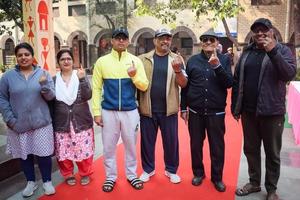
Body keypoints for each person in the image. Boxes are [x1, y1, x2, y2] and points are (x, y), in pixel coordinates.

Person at [231, 18, 296, 200]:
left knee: (272, 153)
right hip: (248, 112)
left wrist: (272, 51)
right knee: (251, 149)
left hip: (272, 112)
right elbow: (238, 80)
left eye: (264, 29)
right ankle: (254, 182)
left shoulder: (283, 50)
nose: (260, 33)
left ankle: (272, 189)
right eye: (256, 30)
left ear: (272, 31)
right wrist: (235, 107)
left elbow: (289, 74)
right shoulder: (247, 51)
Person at [92, 27, 149, 192]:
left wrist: (134, 76)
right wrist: (96, 112)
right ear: (112, 41)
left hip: (130, 111)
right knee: (108, 146)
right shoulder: (102, 62)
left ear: (128, 41)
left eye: (124, 38)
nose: (121, 41)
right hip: (108, 111)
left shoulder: (135, 61)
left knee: (131, 145)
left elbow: (144, 86)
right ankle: (110, 177)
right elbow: (96, 88)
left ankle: (131, 175)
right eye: (118, 38)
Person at [0, 42, 56, 197]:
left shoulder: (43, 73)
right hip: (18, 124)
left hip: (41, 123)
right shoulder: (8, 77)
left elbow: (52, 97)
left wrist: (44, 84)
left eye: (27, 54)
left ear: (32, 56)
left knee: (44, 154)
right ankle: (30, 182)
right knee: (25, 155)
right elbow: (2, 98)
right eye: (20, 55)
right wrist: (10, 120)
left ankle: (47, 181)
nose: (23, 58)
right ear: (16, 58)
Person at [180, 30, 233, 192]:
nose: (208, 42)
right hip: (195, 112)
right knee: (196, 145)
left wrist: (217, 66)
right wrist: (183, 107)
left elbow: (229, 83)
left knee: (217, 147)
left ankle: (217, 177)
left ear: (217, 42)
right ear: (201, 42)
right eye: (204, 40)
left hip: (216, 113)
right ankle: (198, 173)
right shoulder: (193, 61)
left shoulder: (224, 59)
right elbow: (185, 86)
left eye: (211, 39)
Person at [138, 28, 187, 184]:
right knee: (147, 142)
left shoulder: (177, 59)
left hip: (169, 109)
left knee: (171, 142)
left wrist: (178, 71)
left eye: (168, 38)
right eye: (161, 38)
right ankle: (148, 169)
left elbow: (183, 84)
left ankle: (171, 170)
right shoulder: (142, 59)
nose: (165, 41)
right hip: (148, 109)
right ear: (155, 41)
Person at [52, 49, 94, 186]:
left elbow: (88, 95)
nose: (66, 61)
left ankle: (85, 173)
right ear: (58, 62)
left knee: (83, 148)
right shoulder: (53, 80)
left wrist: (82, 79)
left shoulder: (80, 75)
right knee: (64, 150)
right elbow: (50, 100)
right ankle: (68, 174)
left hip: (81, 120)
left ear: (72, 61)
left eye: (68, 58)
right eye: (62, 59)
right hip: (62, 122)